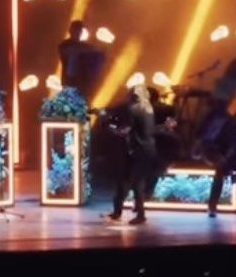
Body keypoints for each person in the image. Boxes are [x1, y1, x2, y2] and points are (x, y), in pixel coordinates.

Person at [105, 84, 161, 227]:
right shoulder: (148, 108)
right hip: (146, 149)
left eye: (129, 94)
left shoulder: (134, 109)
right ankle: (119, 212)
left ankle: (138, 215)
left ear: (134, 96)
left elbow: (125, 131)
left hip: (138, 150)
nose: (127, 97)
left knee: (133, 182)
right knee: (133, 181)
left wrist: (111, 129)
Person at [57, 19, 104, 95]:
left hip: (81, 83)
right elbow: (69, 50)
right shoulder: (65, 45)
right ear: (71, 30)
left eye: (79, 30)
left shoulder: (85, 46)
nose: (78, 32)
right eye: (76, 29)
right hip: (69, 81)